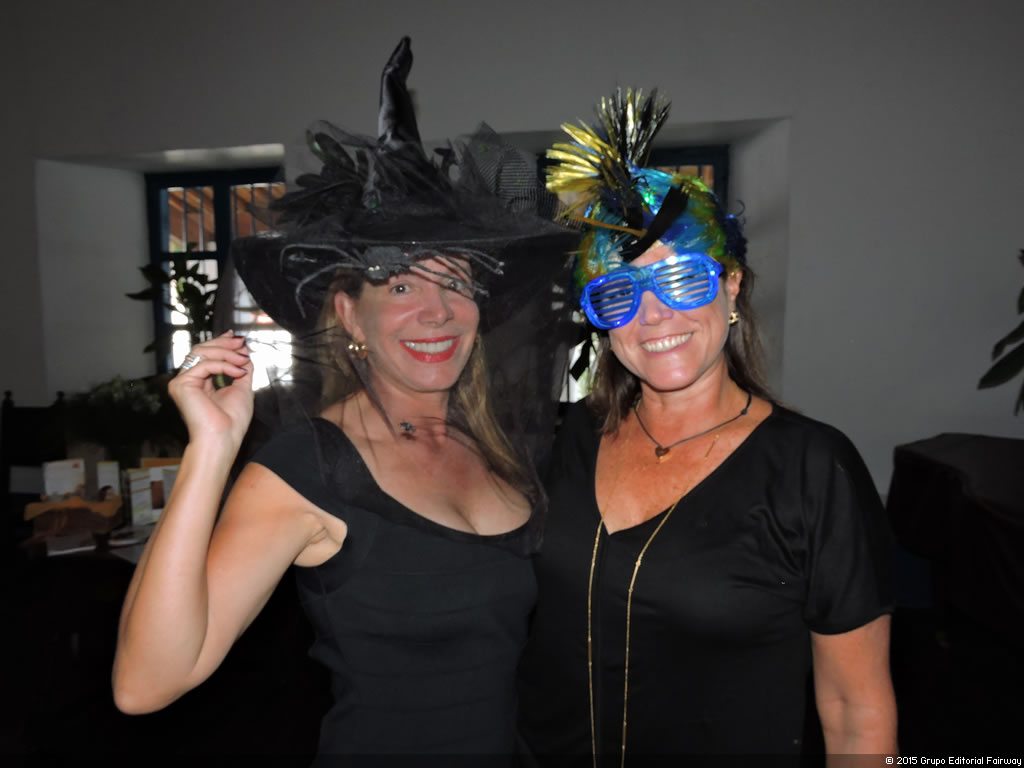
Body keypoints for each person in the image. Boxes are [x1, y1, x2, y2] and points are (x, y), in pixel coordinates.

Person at [113, 38, 576, 761]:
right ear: (350, 314)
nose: (437, 311)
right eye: (401, 285)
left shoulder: (490, 443)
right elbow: (146, 683)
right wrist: (210, 451)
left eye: (456, 283)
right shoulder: (312, 468)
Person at [517, 89, 897, 763]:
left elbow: (854, 708)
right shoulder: (563, 440)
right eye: (619, 293)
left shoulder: (812, 470)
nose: (654, 315)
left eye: (683, 280)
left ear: (732, 285)